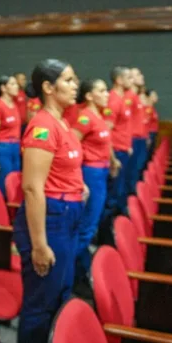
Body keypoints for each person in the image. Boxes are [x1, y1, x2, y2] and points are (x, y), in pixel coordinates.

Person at [13, 58, 85, 343]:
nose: (75, 85)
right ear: (47, 87)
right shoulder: (42, 126)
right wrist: (40, 244)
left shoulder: (62, 122)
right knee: (41, 302)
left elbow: (63, 166)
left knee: (60, 292)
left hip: (68, 214)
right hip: (51, 219)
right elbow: (32, 187)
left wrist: (81, 186)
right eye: (68, 80)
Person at [72, 78, 118, 293]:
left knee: (91, 225)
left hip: (101, 171)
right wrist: (79, 179)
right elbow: (72, 146)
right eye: (101, 90)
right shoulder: (85, 117)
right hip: (90, 173)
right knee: (86, 228)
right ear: (89, 95)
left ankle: (81, 269)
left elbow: (105, 142)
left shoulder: (99, 115)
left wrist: (113, 160)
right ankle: (71, 274)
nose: (107, 93)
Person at [100, 66, 133, 222]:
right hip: (116, 152)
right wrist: (112, 158)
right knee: (113, 193)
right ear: (119, 80)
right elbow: (107, 132)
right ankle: (106, 232)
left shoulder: (122, 99)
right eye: (128, 77)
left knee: (120, 189)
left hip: (123, 149)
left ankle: (117, 225)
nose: (131, 80)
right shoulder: (113, 100)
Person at [0, 75, 21, 197]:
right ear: (3, 88)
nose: (16, 86)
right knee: (3, 184)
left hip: (15, 148)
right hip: (3, 149)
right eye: (12, 84)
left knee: (15, 183)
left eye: (16, 84)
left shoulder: (14, 105)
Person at [126, 67, 148, 194]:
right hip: (132, 139)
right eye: (138, 74)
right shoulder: (129, 97)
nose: (142, 76)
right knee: (131, 172)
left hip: (140, 138)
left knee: (137, 169)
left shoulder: (136, 96)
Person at [145, 89, 159, 157]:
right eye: (154, 95)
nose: (156, 97)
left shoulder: (152, 108)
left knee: (150, 154)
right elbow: (146, 123)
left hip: (153, 133)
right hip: (149, 134)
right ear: (148, 97)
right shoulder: (148, 109)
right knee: (147, 155)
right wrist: (148, 137)